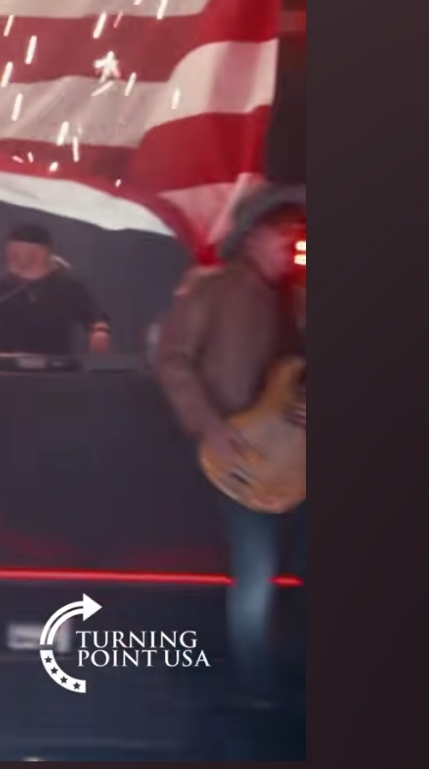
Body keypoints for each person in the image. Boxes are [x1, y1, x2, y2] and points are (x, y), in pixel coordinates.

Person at [153, 185, 306, 710]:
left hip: (295, 463)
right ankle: (255, 689)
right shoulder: (214, 291)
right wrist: (210, 426)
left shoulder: (295, 298)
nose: (291, 242)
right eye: (282, 232)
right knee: (256, 573)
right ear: (253, 235)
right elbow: (172, 358)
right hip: (240, 460)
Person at [0, 223, 112, 355]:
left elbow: (95, 314)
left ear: (40, 253)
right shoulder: (0, 290)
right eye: (10, 250)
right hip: (7, 374)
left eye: (17, 251)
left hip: (58, 373)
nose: (10, 254)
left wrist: (99, 331)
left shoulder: (69, 287)